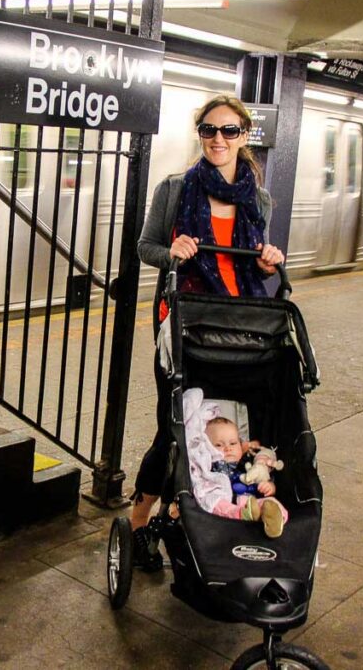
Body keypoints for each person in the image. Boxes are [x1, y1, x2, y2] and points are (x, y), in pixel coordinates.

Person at [130, 95, 286, 571]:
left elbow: (256, 257)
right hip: (183, 324)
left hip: (239, 325)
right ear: (200, 134)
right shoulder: (176, 188)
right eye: (210, 130)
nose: (219, 139)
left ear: (244, 137)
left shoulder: (258, 197)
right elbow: (145, 246)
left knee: (225, 432)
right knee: (172, 430)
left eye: (230, 131)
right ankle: (140, 523)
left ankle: (199, 513)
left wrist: (269, 259)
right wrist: (171, 251)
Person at [171, 389, 286, 539]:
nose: (228, 448)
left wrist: (269, 486)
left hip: (251, 500)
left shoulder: (249, 462)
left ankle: (275, 522)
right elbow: (196, 479)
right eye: (218, 445)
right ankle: (240, 514)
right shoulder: (209, 465)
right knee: (215, 502)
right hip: (226, 503)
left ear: (242, 444)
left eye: (233, 443)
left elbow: (264, 474)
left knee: (272, 503)